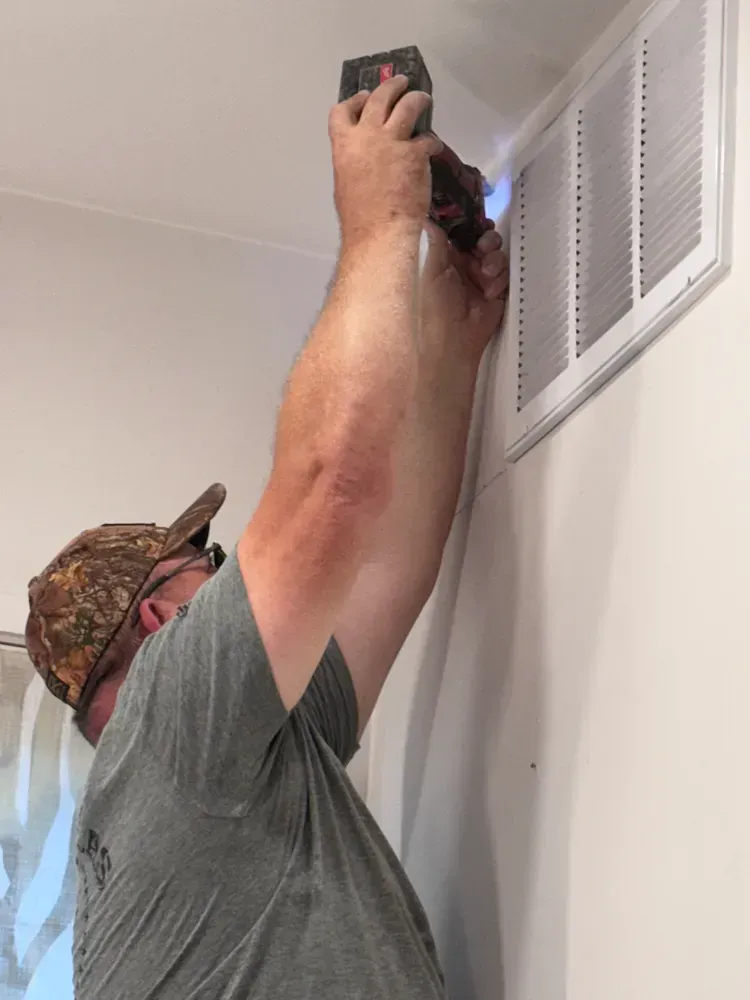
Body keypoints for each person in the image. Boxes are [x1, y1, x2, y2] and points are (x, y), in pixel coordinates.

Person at [25, 75, 509, 999]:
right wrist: (376, 223)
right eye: (207, 566)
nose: (230, 574)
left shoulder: (226, 771)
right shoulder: (174, 723)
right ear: (166, 622)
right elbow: (337, 486)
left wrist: (453, 341)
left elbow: (386, 567)